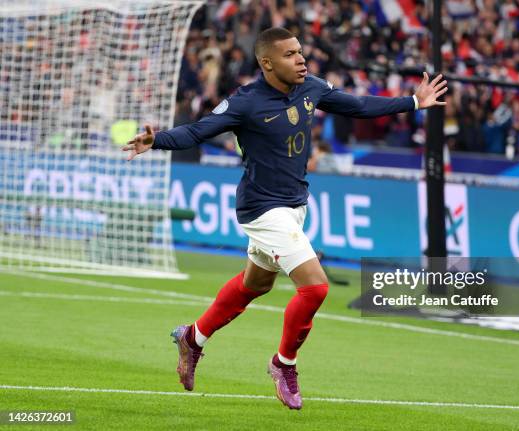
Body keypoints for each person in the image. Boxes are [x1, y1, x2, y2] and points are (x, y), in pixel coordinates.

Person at [122, 27, 447, 410]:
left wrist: (412, 101)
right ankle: (283, 365)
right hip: (262, 208)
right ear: (267, 62)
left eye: (300, 51)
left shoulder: (311, 87)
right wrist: (157, 140)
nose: (301, 59)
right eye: (291, 54)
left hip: (294, 205)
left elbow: (357, 106)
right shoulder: (244, 102)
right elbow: (198, 131)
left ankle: (193, 338)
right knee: (316, 288)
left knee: (253, 285)